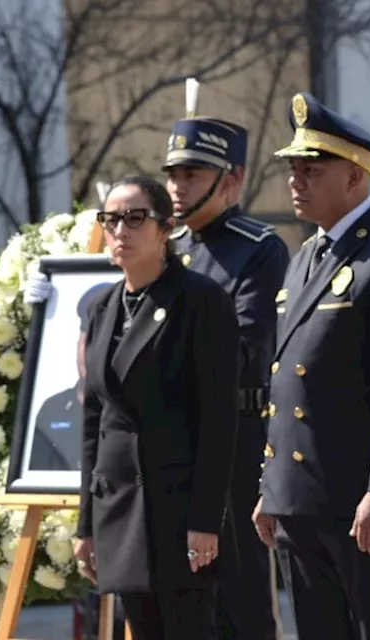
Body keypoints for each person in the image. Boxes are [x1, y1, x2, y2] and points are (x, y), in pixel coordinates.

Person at [250, 92, 370, 640]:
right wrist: (272, 485)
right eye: (293, 169)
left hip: (360, 499)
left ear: (356, 179)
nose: (296, 181)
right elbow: (284, 380)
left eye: (311, 170)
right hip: (300, 496)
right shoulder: (305, 257)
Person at [77, 175, 240, 640]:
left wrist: (205, 522)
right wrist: (85, 524)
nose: (121, 231)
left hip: (176, 511)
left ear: (165, 228)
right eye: (111, 220)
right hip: (120, 509)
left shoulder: (200, 300)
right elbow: (95, 423)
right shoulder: (103, 307)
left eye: (135, 218)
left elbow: (219, 419)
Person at [162, 84, 289, 640]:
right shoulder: (169, 250)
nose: (175, 187)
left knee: (238, 595)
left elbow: (244, 349)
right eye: (172, 174)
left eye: (191, 175)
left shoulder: (258, 248)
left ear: (230, 179)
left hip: (235, 439)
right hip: (174, 440)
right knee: (177, 594)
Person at [28, 283, 115, 472]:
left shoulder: (140, 411)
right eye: (88, 341)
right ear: (78, 345)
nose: (94, 355)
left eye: (105, 345)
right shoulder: (53, 409)